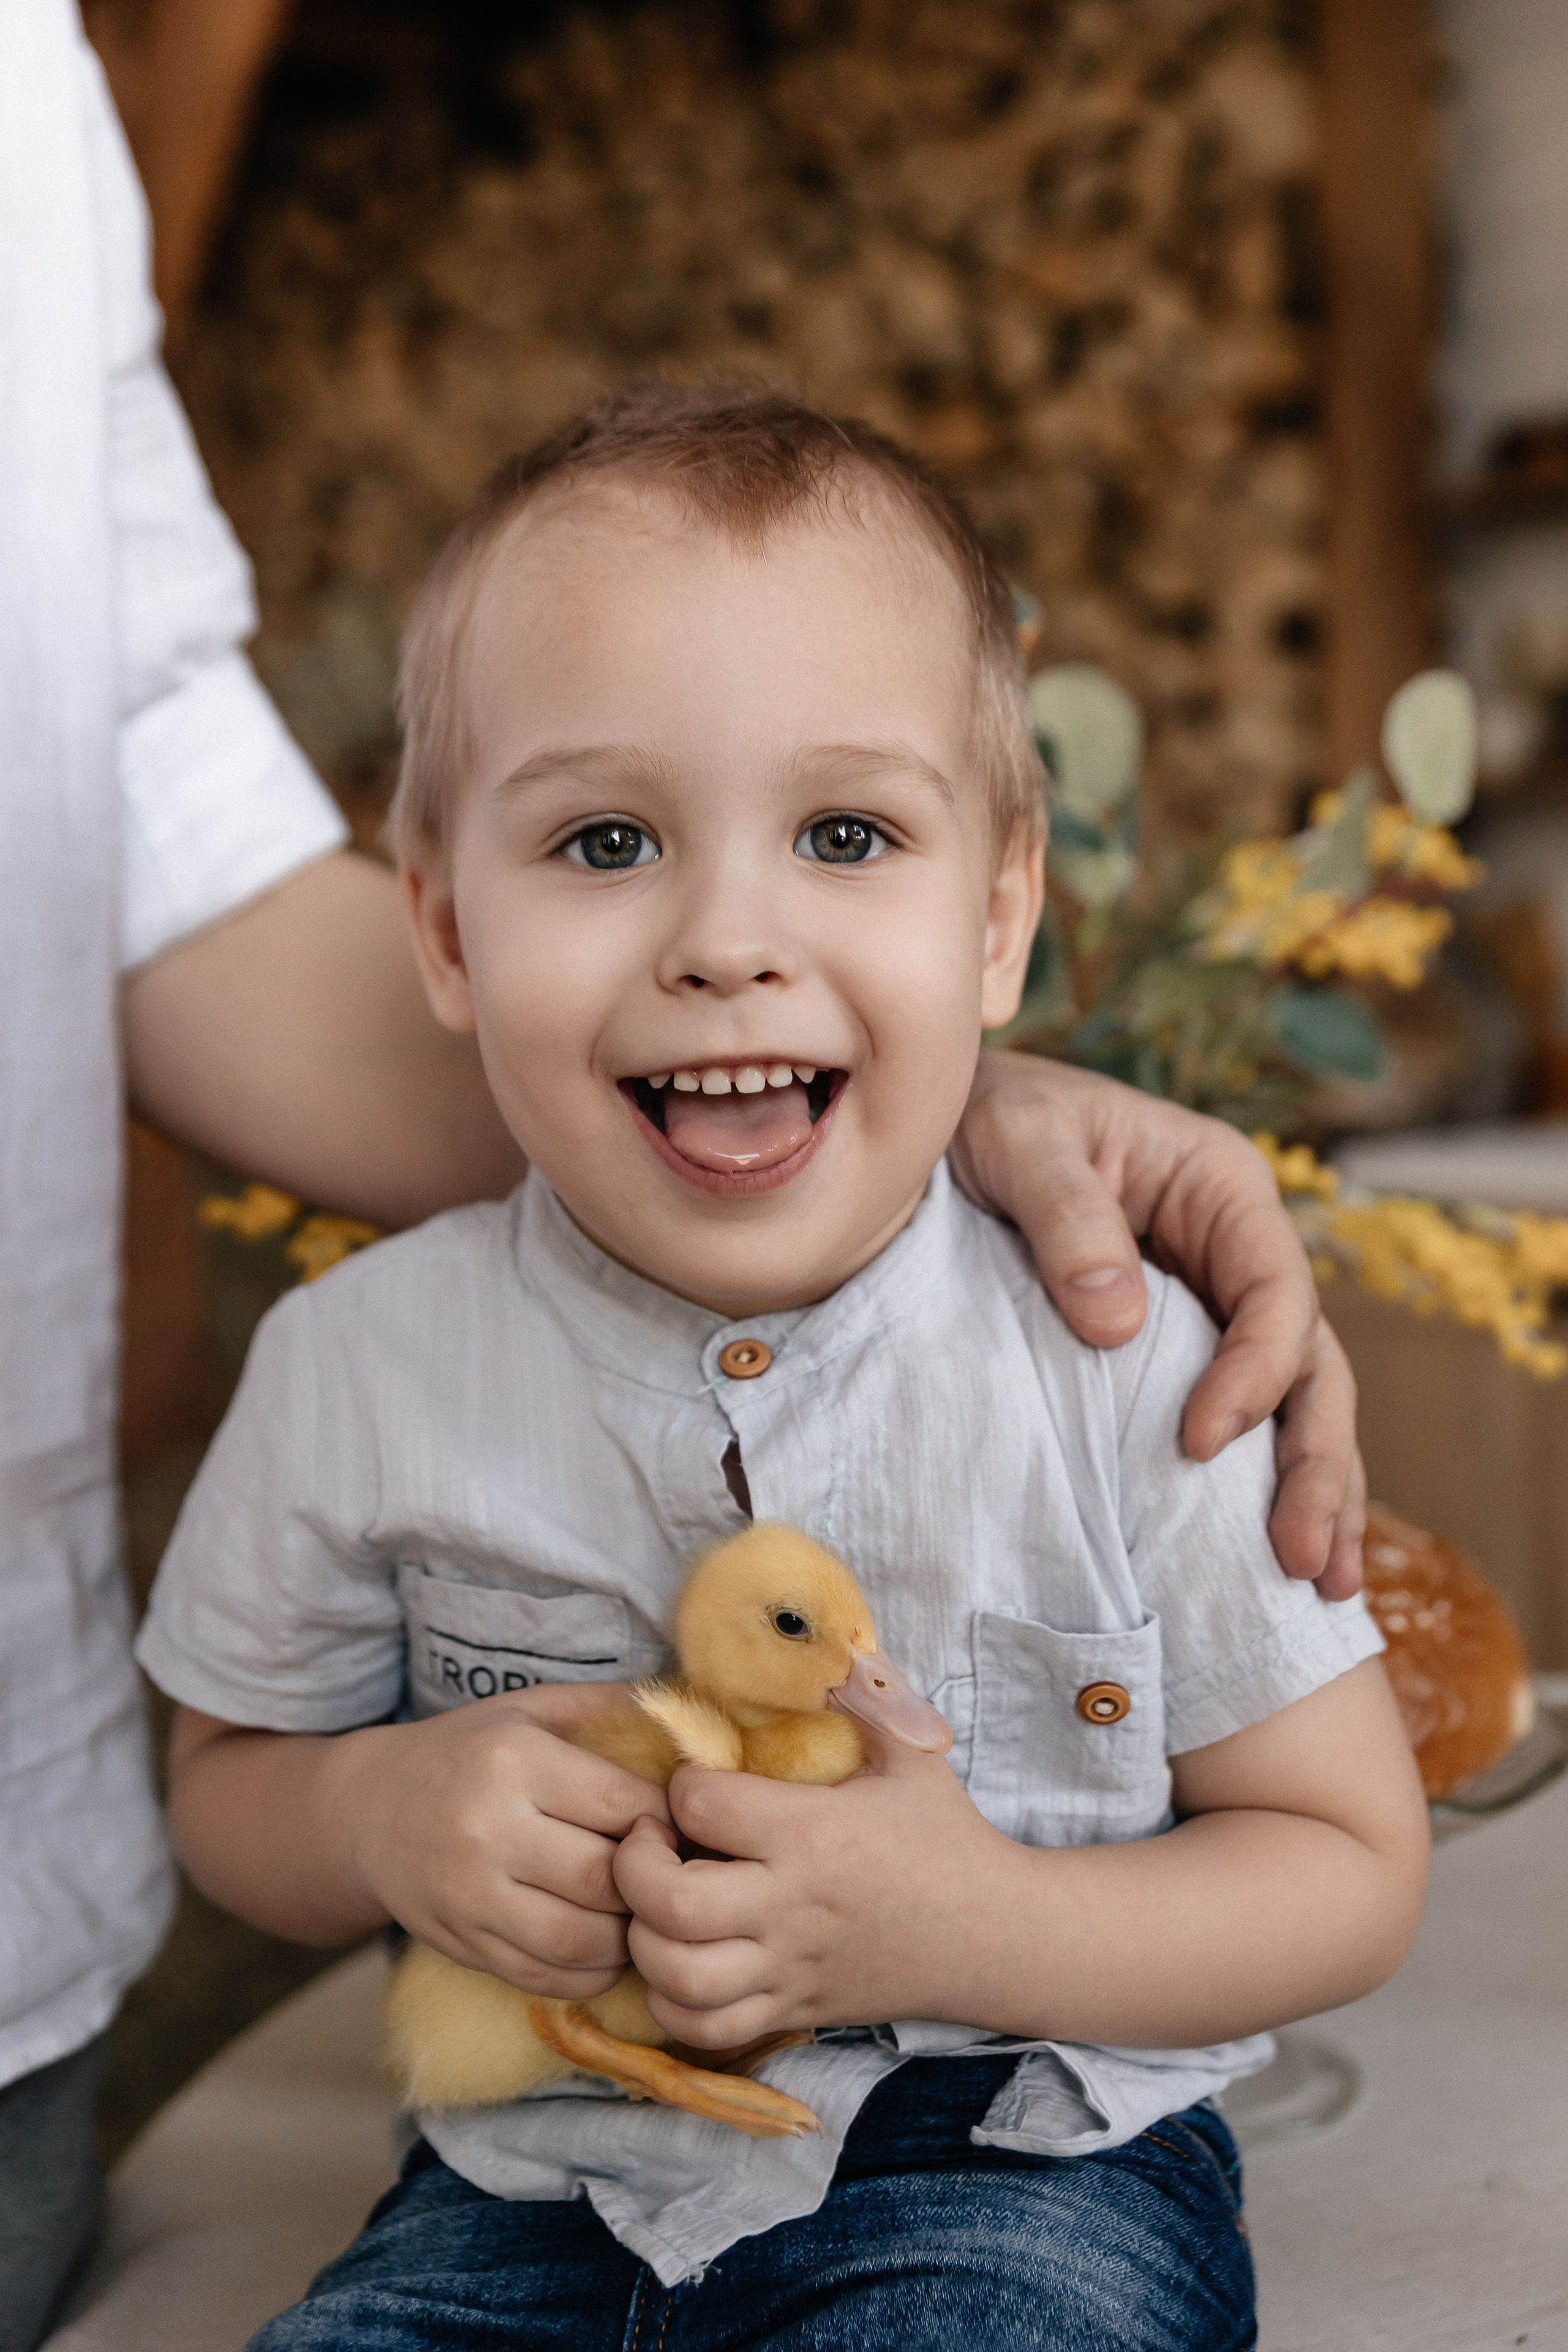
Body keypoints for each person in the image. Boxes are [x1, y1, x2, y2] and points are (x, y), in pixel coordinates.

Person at [0, 9, 1360, 2342]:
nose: (729, 937)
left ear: (1002, 912)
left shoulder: (1099, 1348)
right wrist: (380, 1816)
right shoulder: (362, 1364)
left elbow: (1339, 1863)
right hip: (519, 2184)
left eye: (846, 837)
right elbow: (236, 1785)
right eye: (607, 842)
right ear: (444, 923)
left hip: (1008, 2163)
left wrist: (962, 1924)